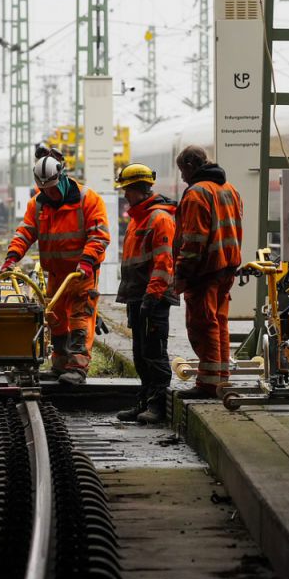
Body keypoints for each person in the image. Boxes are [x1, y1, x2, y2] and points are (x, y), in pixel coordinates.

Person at [3, 148, 110, 386]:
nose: (49, 193)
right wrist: (12, 257)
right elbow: (25, 233)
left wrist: (86, 261)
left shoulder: (88, 199)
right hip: (56, 274)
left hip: (81, 274)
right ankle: (60, 365)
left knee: (80, 319)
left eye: (51, 188)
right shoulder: (38, 204)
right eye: (44, 189)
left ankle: (78, 368)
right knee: (56, 319)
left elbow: (99, 236)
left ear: (61, 178)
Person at [174, 146, 244, 397]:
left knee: (204, 326)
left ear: (191, 165)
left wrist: (182, 274)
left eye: (183, 171)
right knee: (220, 323)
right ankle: (222, 377)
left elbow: (193, 240)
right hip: (227, 267)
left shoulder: (196, 194)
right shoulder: (230, 190)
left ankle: (208, 384)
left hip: (204, 272)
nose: (182, 177)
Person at [112, 164, 178, 424]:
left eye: (127, 189)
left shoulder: (159, 218)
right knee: (141, 354)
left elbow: (164, 263)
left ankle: (158, 406)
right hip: (137, 296)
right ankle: (143, 402)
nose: (124, 195)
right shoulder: (138, 218)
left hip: (153, 298)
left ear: (139, 189)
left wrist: (152, 297)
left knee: (154, 352)